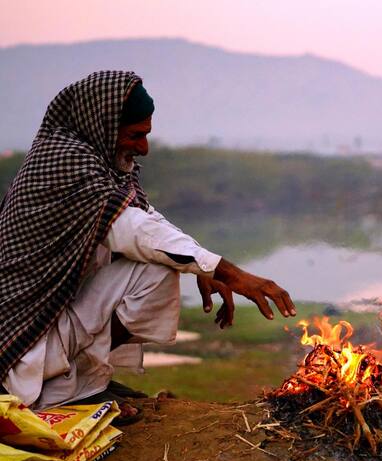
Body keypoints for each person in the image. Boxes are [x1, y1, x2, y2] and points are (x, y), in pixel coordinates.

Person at [0, 71, 296, 424]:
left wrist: (202, 265)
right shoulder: (64, 165)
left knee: (161, 261)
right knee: (156, 269)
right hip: (21, 338)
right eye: (135, 136)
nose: (144, 148)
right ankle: (61, 395)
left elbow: (149, 221)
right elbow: (135, 231)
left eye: (146, 135)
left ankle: (80, 386)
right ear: (103, 125)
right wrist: (231, 273)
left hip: (51, 320)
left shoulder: (98, 163)